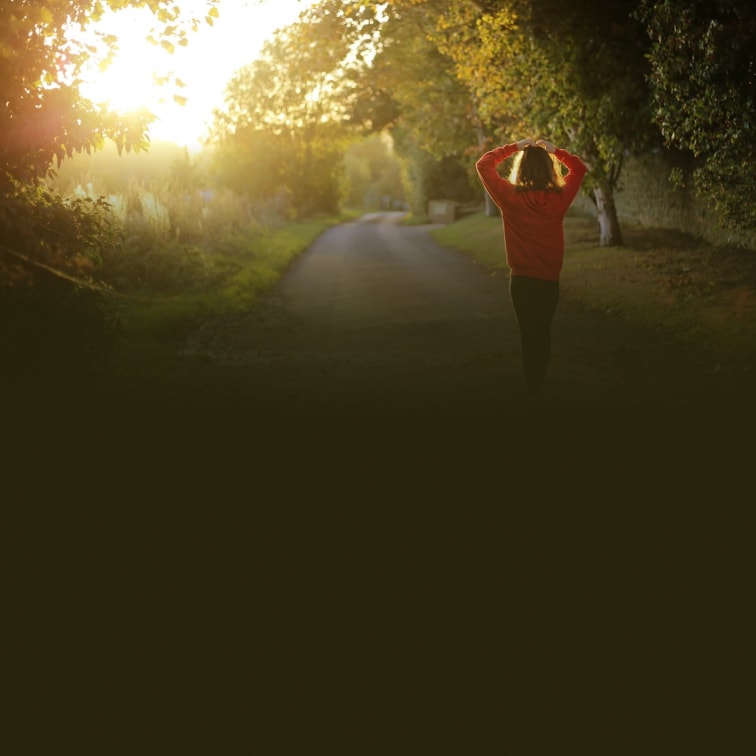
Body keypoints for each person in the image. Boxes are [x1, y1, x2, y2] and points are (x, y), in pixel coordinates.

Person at [475, 138, 587, 398]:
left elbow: (484, 165)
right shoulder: (558, 199)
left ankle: (532, 390)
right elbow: (579, 169)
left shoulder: (510, 198)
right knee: (543, 333)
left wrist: (514, 147)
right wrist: (555, 151)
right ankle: (539, 385)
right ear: (549, 169)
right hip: (548, 281)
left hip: (521, 282)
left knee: (528, 335)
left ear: (521, 168)